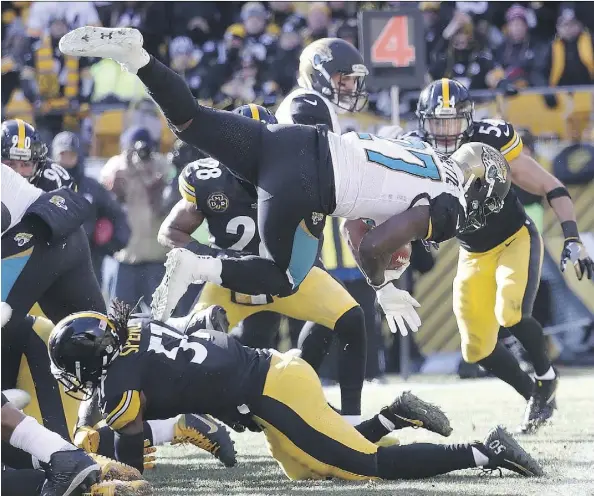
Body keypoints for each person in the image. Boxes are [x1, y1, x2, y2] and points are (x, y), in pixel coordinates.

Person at [59, 26, 511, 340]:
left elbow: (360, 226)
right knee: (284, 276)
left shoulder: (425, 154)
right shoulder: (450, 205)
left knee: (192, 121)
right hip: (308, 179)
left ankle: (138, 59)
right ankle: (198, 267)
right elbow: (374, 248)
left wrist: (380, 267)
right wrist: (384, 287)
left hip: (284, 141)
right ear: (479, 188)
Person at [48, 304, 543, 481]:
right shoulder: (131, 329)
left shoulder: (118, 383)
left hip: (274, 390)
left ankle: (483, 451)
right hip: (273, 377)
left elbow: (133, 457)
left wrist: (124, 479)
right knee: (308, 470)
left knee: (365, 467)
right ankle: (394, 416)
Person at [403, 78, 593, 432]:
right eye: (437, 122)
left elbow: (549, 184)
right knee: (475, 350)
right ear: (422, 122)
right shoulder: (416, 152)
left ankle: (546, 377)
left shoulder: (489, 141)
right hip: (472, 253)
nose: (445, 132)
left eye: (453, 121)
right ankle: (535, 397)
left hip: (514, 239)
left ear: (469, 120)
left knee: (510, 312)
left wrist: (572, 237)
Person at [161, 104, 371, 422]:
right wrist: (215, 259)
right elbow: (171, 231)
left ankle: (353, 420)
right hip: (230, 282)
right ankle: (172, 422)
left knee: (351, 319)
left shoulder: (299, 173)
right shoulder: (208, 181)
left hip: (289, 277)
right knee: (187, 350)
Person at [51, 131, 131, 283]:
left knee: (90, 306)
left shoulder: (92, 187)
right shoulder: (44, 187)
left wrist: (109, 243)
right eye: (62, 155)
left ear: (79, 156)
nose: (66, 160)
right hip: (51, 264)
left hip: (88, 264)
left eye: (71, 155)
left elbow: (118, 217)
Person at [2, 119, 75, 192]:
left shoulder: (56, 181)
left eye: (25, 164)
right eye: (10, 164)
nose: (17, 172)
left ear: (38, 165)